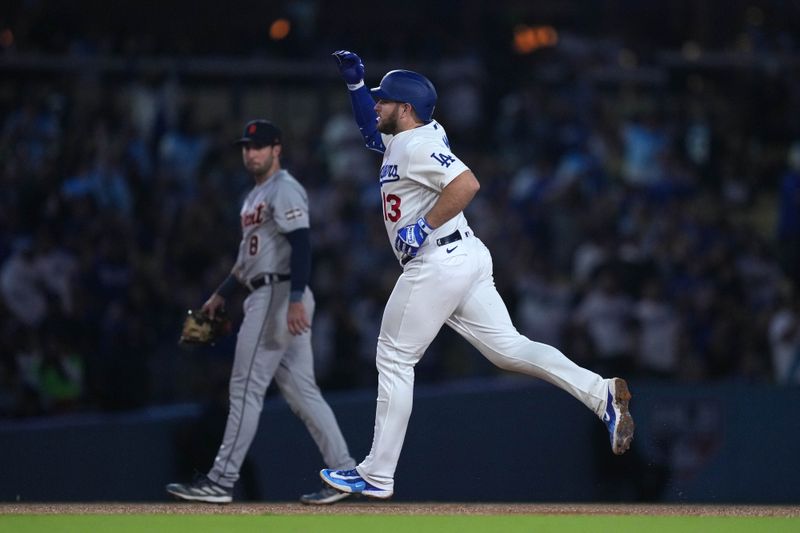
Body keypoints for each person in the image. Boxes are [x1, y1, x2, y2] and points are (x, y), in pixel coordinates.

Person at [320, 51, 635, 499]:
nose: (376, 106)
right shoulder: (412, 136)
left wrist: (422, 224)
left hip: (437, 260)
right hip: (464, 256)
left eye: (382, 100)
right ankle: (599, 393)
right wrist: (355, 88)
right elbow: (373, 135)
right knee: (509, 350)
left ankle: (377, 473)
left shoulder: (418, 145)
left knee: (394, 356)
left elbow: (467, 184)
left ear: (405, 109)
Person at [166, 119, 356, 505]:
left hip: (279, 292)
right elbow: (245, 262)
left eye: (260, 146)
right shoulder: (253, 198)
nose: (251, 153)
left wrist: (297, 297)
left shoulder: (285, 188)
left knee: (245, 387)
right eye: (247, 147)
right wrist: (221, 294)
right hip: (268, 289)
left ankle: (220, 481)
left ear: (276, 150)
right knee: (303, 392)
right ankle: (346, 472)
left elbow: (301, 245)